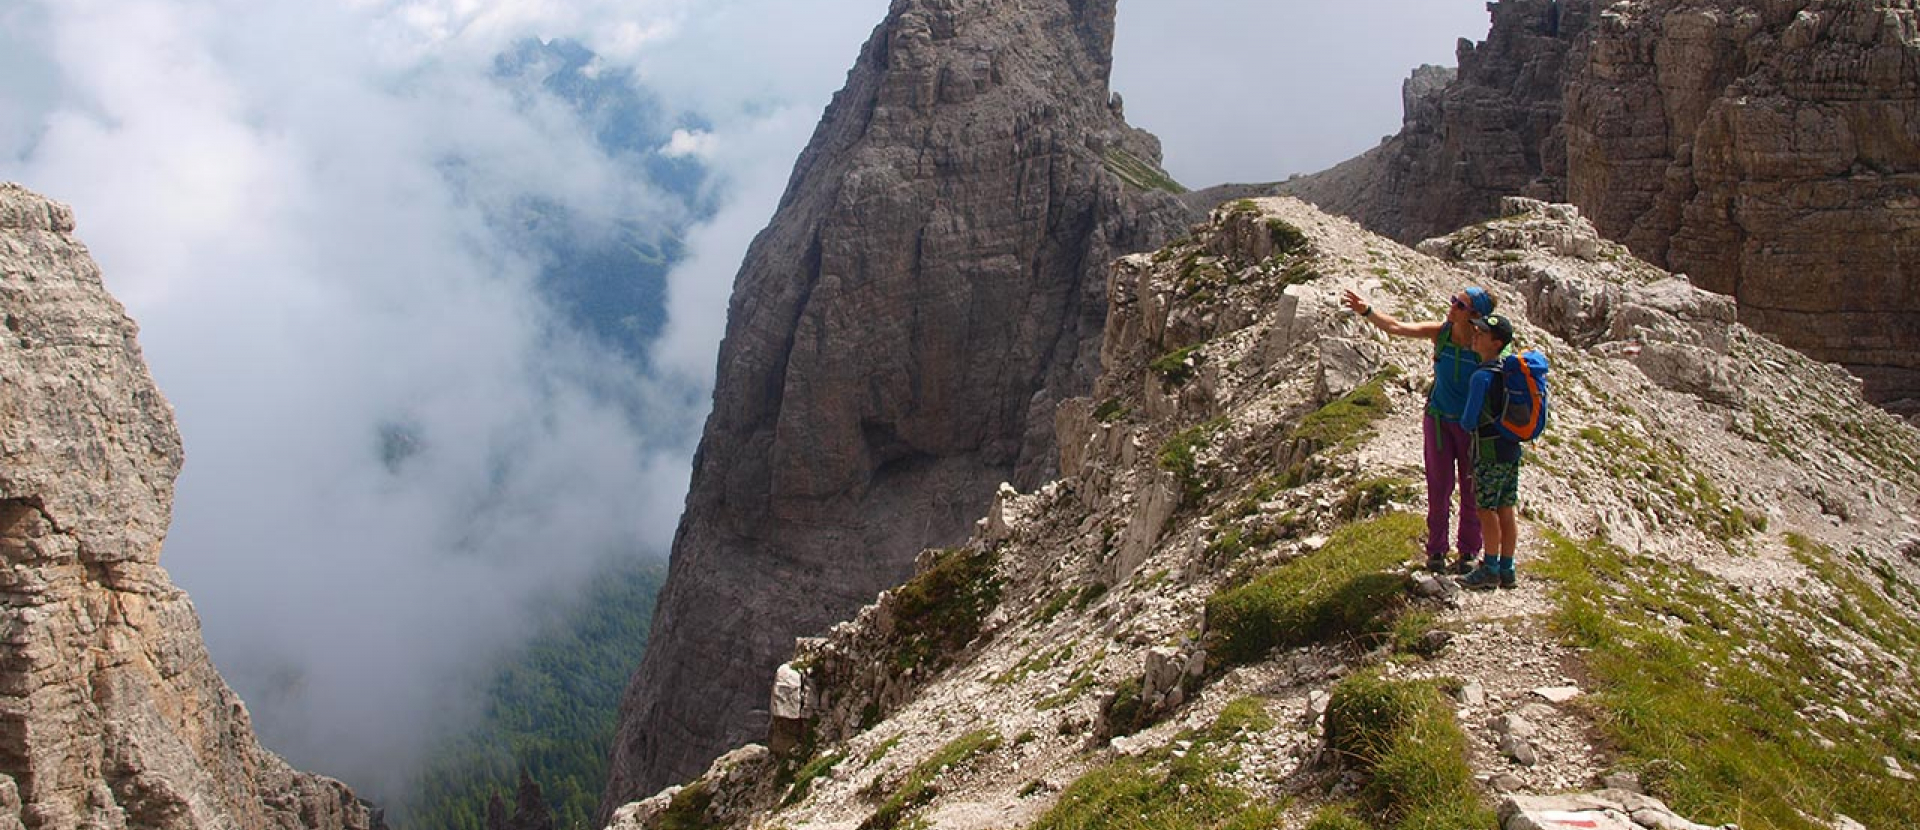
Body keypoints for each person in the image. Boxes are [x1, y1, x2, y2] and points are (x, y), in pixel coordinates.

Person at [1340, 285, 1501, 573]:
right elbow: (1398, 327)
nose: (1451, 305)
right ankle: (1436, 551)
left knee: (1471, 490)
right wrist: (1367, 311)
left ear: (1475, 315)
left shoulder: (1486, 346)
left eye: (1460, 305)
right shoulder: (1441, 333)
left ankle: (1468, 552)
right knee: (1438, 487)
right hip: (1438, 421)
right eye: (1453, 300)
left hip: (1473, 427)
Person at [1458, 313, 1523, 590]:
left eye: (1482, 334)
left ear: (1496, 343)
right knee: (1507, 507)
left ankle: (1491, 568)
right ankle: (1508, 569)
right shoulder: (1507, 372)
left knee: (1486, 509)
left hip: (1488, 451)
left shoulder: (1481, 377)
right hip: (1511, 449)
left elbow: (1468, 420)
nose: (1476, 335)